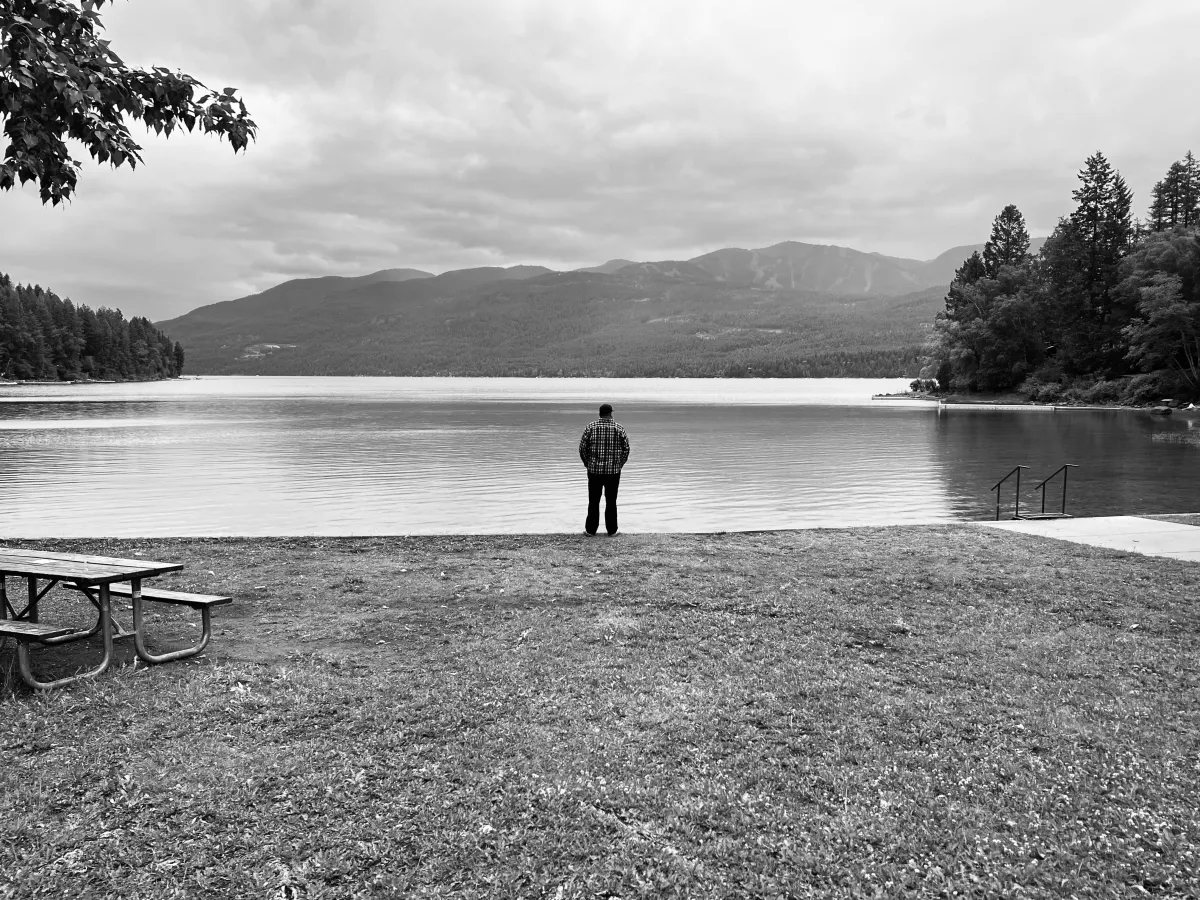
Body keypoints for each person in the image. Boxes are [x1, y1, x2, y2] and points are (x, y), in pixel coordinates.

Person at [578, 403, 630, 536]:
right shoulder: (619, 428)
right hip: (613, 472)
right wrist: (619, 464)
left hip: (594, 471)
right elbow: (626, 449)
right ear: (611, 413)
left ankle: (590, 531)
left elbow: (582, 448)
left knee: (593, 501)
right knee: (611, 501)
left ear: (600, 414)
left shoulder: (590, 427)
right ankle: (612, 531)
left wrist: (588, 464)